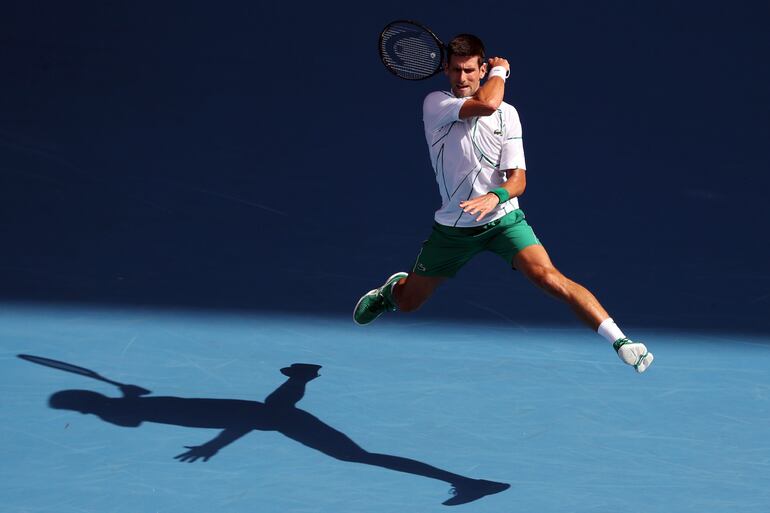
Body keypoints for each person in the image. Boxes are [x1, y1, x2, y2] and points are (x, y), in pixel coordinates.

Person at [354, 34, 653, 373]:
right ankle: (392, 291)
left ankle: (622, 341)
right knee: (409, 304)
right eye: (455, 71)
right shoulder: (436, 104)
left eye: (469, 70)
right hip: (453, 229)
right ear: (446, 72)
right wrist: (501, 73)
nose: (462, 78)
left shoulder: (508, 115)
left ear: (481, 69)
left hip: (503, 221)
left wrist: (494, 197)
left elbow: (518, 181)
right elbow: (487, 104)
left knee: (549, 277)